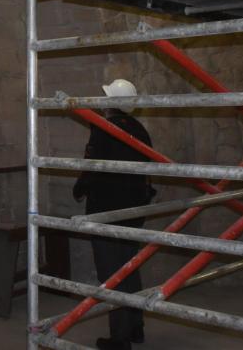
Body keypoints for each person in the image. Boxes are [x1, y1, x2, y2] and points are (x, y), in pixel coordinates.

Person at [73, 79, 154, 350]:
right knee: (129, 267)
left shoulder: (104, 128)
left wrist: (80, 187)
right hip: (134, 208)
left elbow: (92, 163)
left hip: (107, 209)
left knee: (112, 273)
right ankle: (136, 327)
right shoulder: (140, 129)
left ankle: (119, 339)